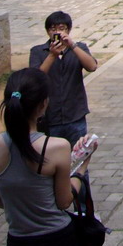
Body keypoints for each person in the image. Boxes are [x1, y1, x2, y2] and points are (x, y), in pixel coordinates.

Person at [0, 68, 90, 246]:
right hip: (57, 239)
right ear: (43, 104)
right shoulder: (56, 146)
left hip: (17, 240)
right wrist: (81, 167)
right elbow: (64, 201)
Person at [29, 10, 98, 145]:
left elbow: (92, 66)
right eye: (52, 29)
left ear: (68, 30)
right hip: (50, 118)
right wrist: (52, 55)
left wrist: (72, 45)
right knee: (51, 158)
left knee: (79, 156)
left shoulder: (79, 48)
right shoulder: (37, 51)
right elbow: (35, 78)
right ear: (47, 31)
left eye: (61, 29)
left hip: (75, 115)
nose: (57, 33)